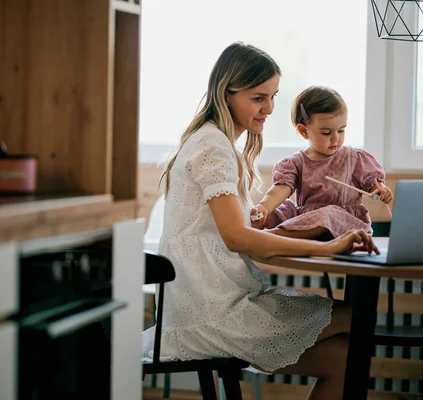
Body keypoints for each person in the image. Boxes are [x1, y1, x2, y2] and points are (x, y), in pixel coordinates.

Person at [142, 42, 378, 400]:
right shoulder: (212, 147)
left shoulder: (216, 143)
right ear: (227, 93)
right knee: (356, 321)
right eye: (258, 98)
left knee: (345, 356)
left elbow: (237, 232)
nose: (269, 108)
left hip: (215, 304)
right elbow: (239, 239)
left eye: (273, 97)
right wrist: (326, 246)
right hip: (211, 314)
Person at [251, 85, 394, 240]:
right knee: (281, 208)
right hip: (307, 220)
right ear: (304, 131)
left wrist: (380, 190)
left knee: (329, 213)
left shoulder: (354, 158)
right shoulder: (295, 163)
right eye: (326, 133)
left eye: (341, 130)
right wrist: (265, 207)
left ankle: (275, 235)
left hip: (345, 225)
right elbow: (280, 189)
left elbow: (373, 184)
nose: (335, 138)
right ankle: (267, 228)